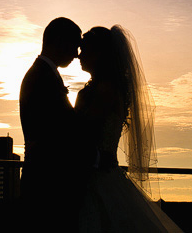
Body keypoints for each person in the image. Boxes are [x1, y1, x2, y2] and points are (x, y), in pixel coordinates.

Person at [75, 25, 183, 232]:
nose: (80, 55)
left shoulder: (105, 90)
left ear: (99, 54)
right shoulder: (106, 88)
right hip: (102, 174)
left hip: (97, 177)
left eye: (85, 49)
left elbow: (83, 131)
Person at [19, 17, 85, 232]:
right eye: (74, 45)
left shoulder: (45, 74)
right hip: (47, 186)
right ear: (59, 41)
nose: (76, 53)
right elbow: (54, 135)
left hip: (45, 183)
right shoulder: (41, 77)